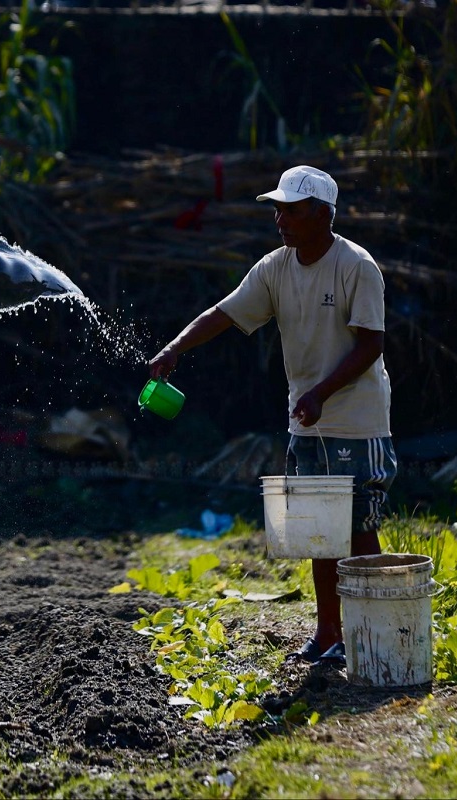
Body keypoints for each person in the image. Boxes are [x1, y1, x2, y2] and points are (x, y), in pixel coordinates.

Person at [146, 164, 396, 665]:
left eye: (293, 210)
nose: (281, 219)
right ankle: (328, 635)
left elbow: (372, 343)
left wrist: (322, 390)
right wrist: (176, 347)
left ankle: (374, 635)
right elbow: (225, 313)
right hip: (307, 419)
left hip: (356, 420)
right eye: (278, 209)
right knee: (320, 531)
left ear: (324, 214)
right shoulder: (275, 267)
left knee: (359, 528)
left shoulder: (356, 266)